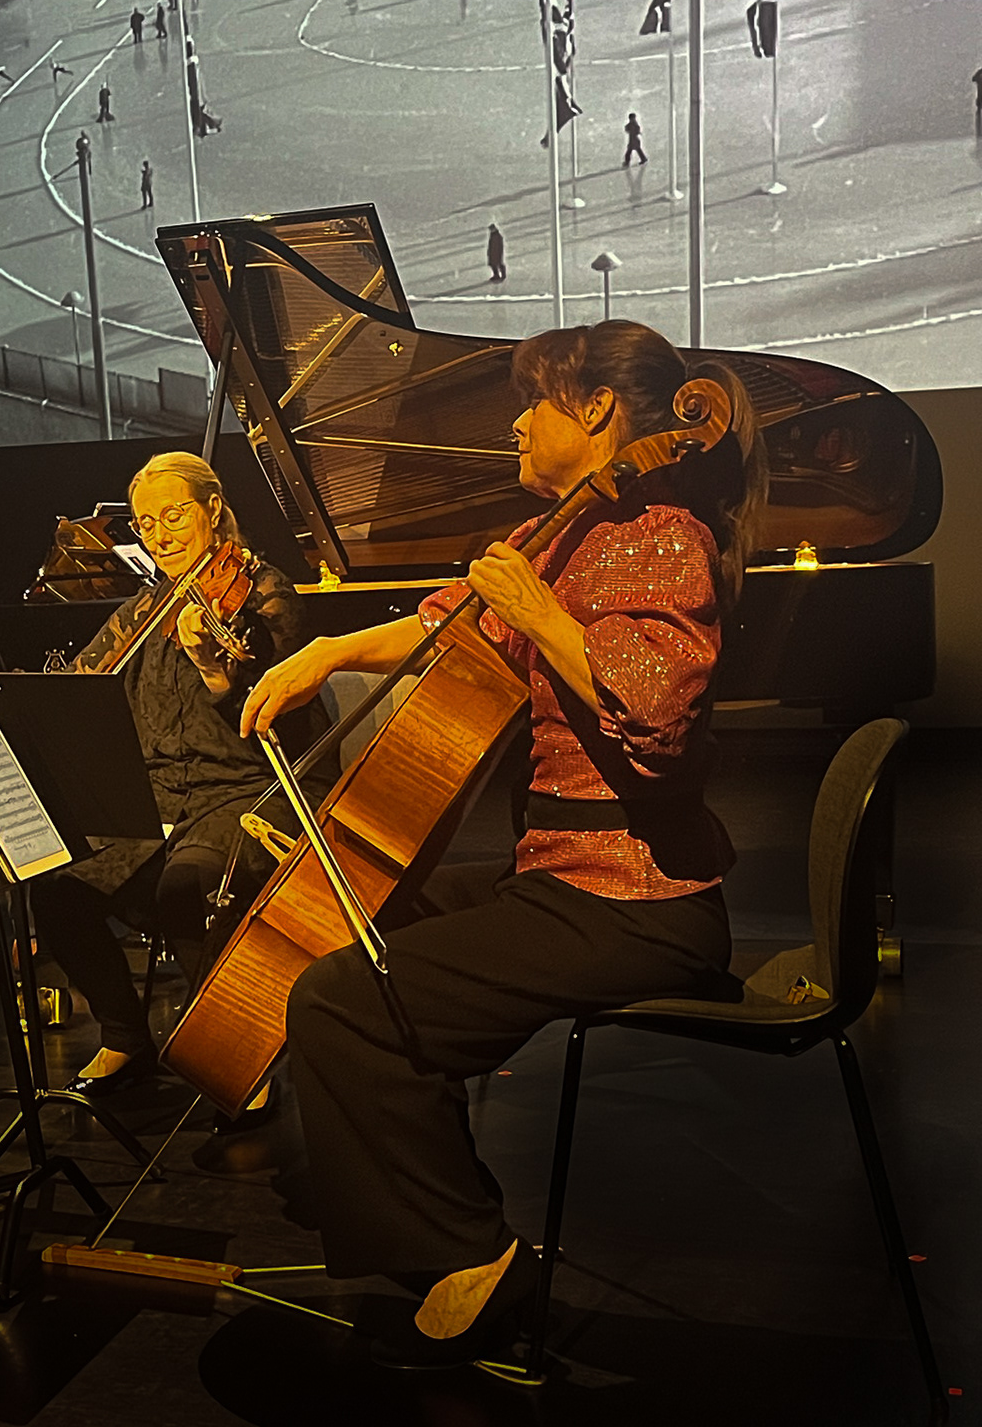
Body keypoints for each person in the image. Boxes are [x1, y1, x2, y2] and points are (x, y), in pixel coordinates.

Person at [243, 320, 766, 1368]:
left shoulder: (659, 530)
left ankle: (468, 1257)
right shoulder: (577, 528)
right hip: (565, 876)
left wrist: (537, 608)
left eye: (536, 401)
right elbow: (446, 623)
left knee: (350, 997)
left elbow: (656, 716)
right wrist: (329, 652)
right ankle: (391, 1184)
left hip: (635, 902)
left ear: (601, 413)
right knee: (361, 925)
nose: (518, 422)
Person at [33, 453, 329, 1161]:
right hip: (157, 796)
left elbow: (271, 697)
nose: (159, 533)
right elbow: (83, 682)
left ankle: (236, 1055)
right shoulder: (141, 609)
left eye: (174, 515)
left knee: (188, 882)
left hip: (247, 788)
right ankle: (125, 1037)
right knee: (52, 881)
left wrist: (215, 667)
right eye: (145, 522)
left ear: (214, 510)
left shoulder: (263, 592)